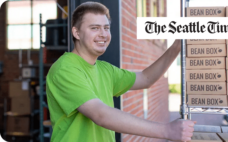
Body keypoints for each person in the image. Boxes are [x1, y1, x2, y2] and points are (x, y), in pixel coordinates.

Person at [46, 1, 196, 142]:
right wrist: (166, 131)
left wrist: (176, 47)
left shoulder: (105, 69)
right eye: (95, 28)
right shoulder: (65, 69)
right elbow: (100, 114)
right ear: (76, 33)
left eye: (106, 28)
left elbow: (145, 78)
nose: (103, 34)